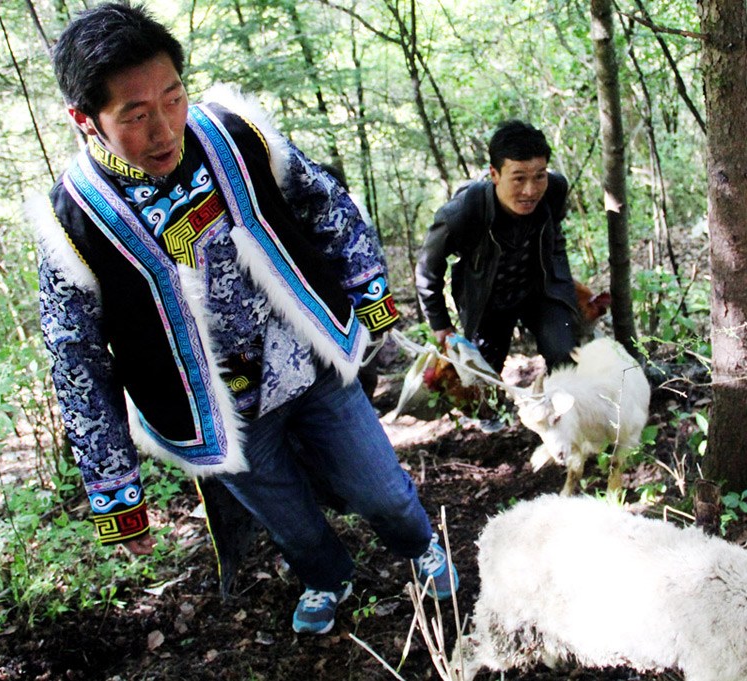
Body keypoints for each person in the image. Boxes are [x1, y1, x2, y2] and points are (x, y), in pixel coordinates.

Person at [35, 1, 456, 636]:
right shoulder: (73, 220)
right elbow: (76, 361)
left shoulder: (235, 135)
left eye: (173, 98)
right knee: (289, 521)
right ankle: (326, 576)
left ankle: (421, 544)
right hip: (213, 408)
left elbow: (321, 197)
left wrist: (370, 295)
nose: (165, 130)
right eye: (136, 115)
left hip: (307, 362)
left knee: (382, 491)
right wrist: (118, 495)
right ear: (84, 119)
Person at [415, 120, 579, 374]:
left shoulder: (555, 190)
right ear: (494, 174)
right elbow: (427, 269)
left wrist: (566, 288)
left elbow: (555, 238)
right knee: (481, 377)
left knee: (565, 354)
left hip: (539, 291)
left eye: (539, 176)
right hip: (487, 299)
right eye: (518, 178)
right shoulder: (462, 212)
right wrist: (440, 324)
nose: (530, 190)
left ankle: (563, 409)